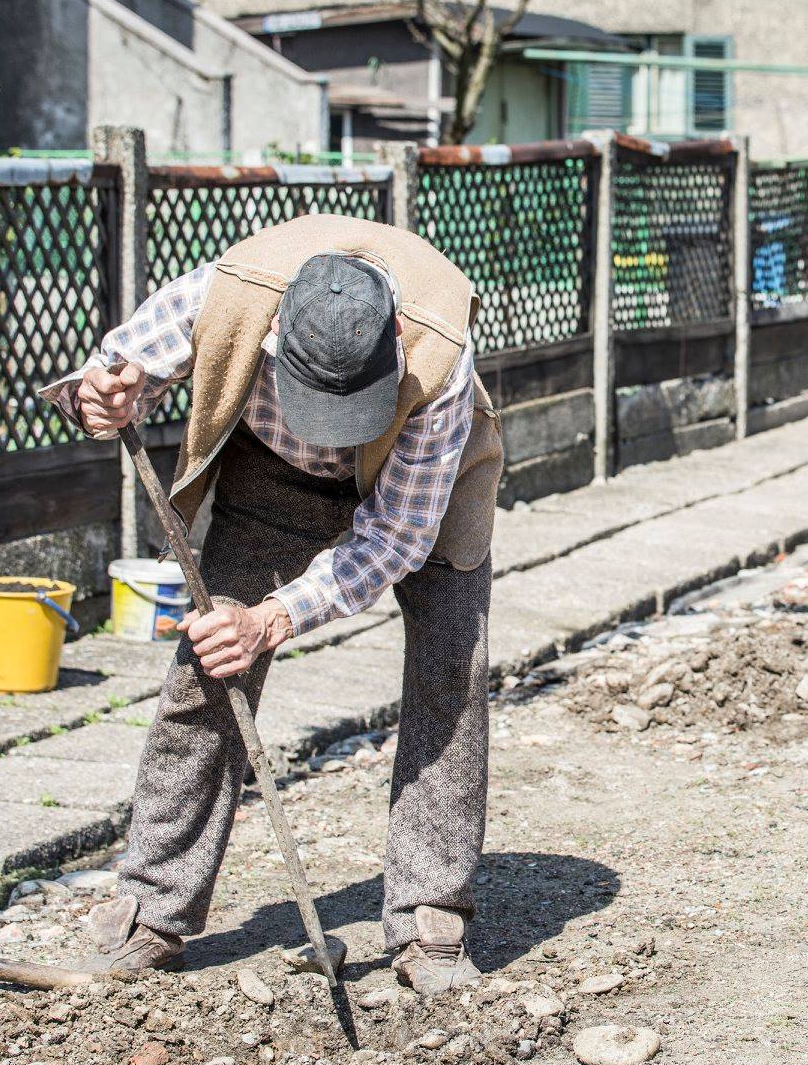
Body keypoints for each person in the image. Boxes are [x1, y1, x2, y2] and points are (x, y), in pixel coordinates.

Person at [39, 213, 502, 996]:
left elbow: (392, 539)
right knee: (207, 668)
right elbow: (118, 368)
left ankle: (430, 915)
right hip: (270, 476)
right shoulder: (227, 293)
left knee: (450, 675)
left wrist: (275, 618)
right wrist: (103, 393)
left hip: (425, 492)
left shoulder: (437, 359)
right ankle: (153, 907)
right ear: (275, 337)